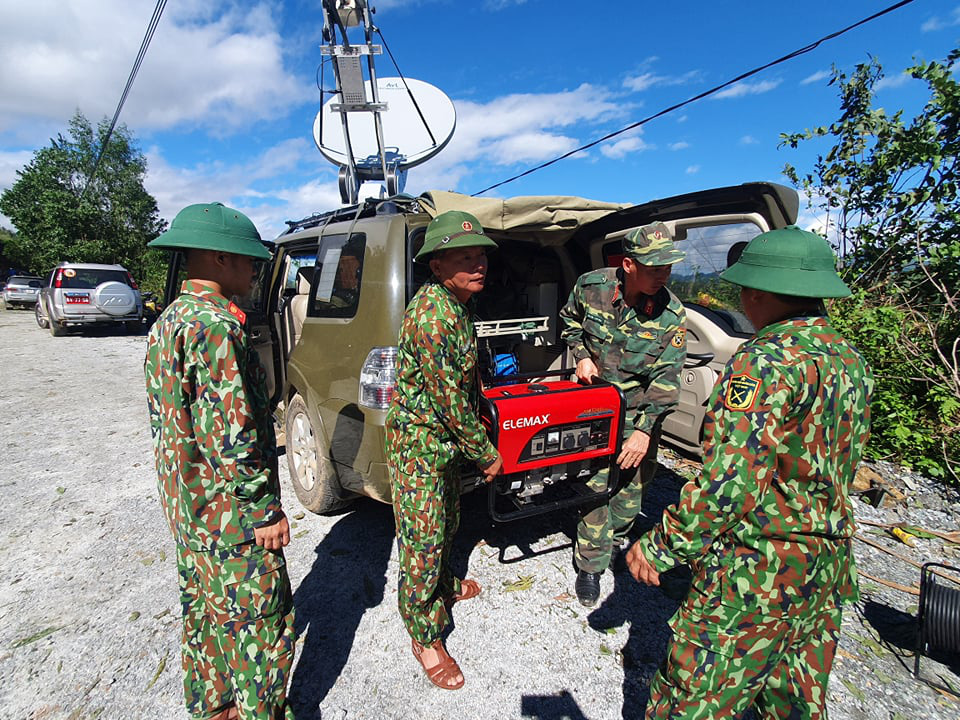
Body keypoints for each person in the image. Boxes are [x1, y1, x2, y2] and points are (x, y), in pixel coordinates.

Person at [626, 226, 874, 719]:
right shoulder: (848, 357)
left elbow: (732, 481)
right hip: (823, 567)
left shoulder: (764, 361)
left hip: (757, 569)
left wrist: (661, 544)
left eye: (742, 289)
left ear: (758, 292)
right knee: (791, 701)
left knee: (691, 701)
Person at [144, 202, 296, 720]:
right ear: (218, 258)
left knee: (207, 620)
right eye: (247, 259)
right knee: (264, 630)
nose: (255, 270)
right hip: (229, 518)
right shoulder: (214, 327)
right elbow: (232, 435)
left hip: (191, 514)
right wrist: (263, 511)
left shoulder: (169, 321)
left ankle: (216, 709)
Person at [384, 210, 504, 690]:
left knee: (449, 521)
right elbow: (447, 400)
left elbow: (464, 379)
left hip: (443, 446)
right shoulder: (433, 316)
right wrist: (486, 451)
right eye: (465, 257)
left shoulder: (458, 306)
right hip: (420, 448)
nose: (479, 265)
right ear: (436, 266)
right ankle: (425, 634)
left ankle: (443, 586)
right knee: (423, 540)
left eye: (481, 256)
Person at [559, 221, 687, 607]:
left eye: (668, 267)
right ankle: (591, 566)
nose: (662, 276)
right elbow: (569, 322)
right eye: (654, 268)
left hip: (638, 415)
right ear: (629, 264)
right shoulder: (591, 286)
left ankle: (615, 541)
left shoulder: (671, 315)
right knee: (596, 487)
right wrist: (581, 356)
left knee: (629, 495)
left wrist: (645, 431)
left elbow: (666, 381)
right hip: (594, 408)